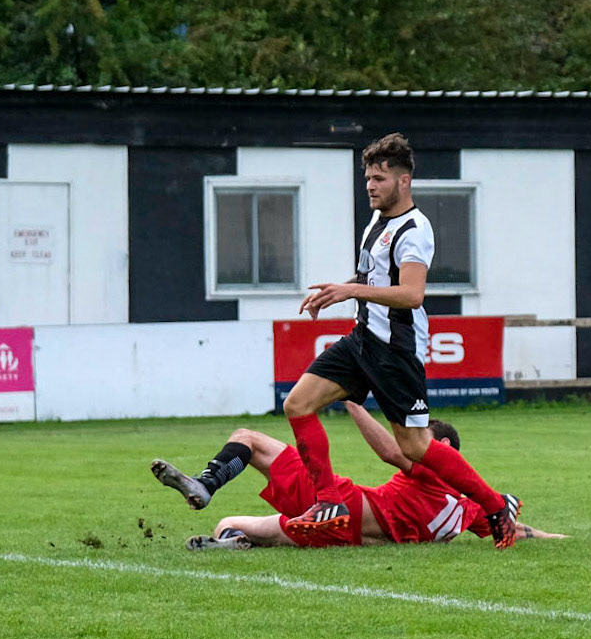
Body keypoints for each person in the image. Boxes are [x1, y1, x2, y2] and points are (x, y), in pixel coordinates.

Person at [278, 132, 523, 547]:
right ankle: (329, 502)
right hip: (363, 339)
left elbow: (411, 294)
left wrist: (350, 291)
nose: (370, 186)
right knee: (297, 404)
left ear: (403, 181)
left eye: (379, 179)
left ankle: (496, 505)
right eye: (367, 179)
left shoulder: (415, 229)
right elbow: (375, 277)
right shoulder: (377, 222)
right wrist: (340, 289)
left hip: (394, 349)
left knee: (415, 447)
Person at [153, 401, 564, 549]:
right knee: (227, 525)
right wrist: (554, 538)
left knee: (249, 438)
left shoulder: (432, 469)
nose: (414, 443)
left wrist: (350, 400)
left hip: (338, 506)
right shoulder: (470, 506)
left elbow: (389, 451)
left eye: (422, 439)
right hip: (345, 537)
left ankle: (206, 484)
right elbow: (509, 527)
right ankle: (234, 544)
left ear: (441, 448)